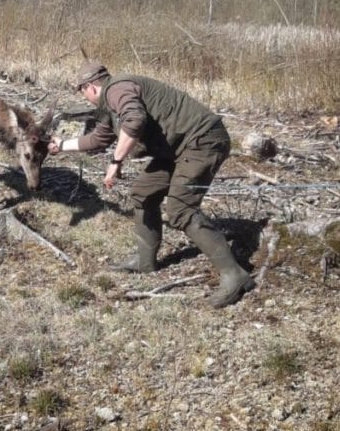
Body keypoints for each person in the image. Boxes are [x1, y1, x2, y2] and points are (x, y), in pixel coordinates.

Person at [48, 61, 254, 309]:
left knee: (181, 210)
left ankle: (235, 275)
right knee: (143, 193)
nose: (84, 97)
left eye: (81, 91)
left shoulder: (117, 89)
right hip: (177, 149)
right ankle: (145, 261)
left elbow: (135, 120)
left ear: (90, 86)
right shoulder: (109, 106)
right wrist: (61, 146)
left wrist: (116, 161)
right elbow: (99, 139)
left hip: (203, 140)